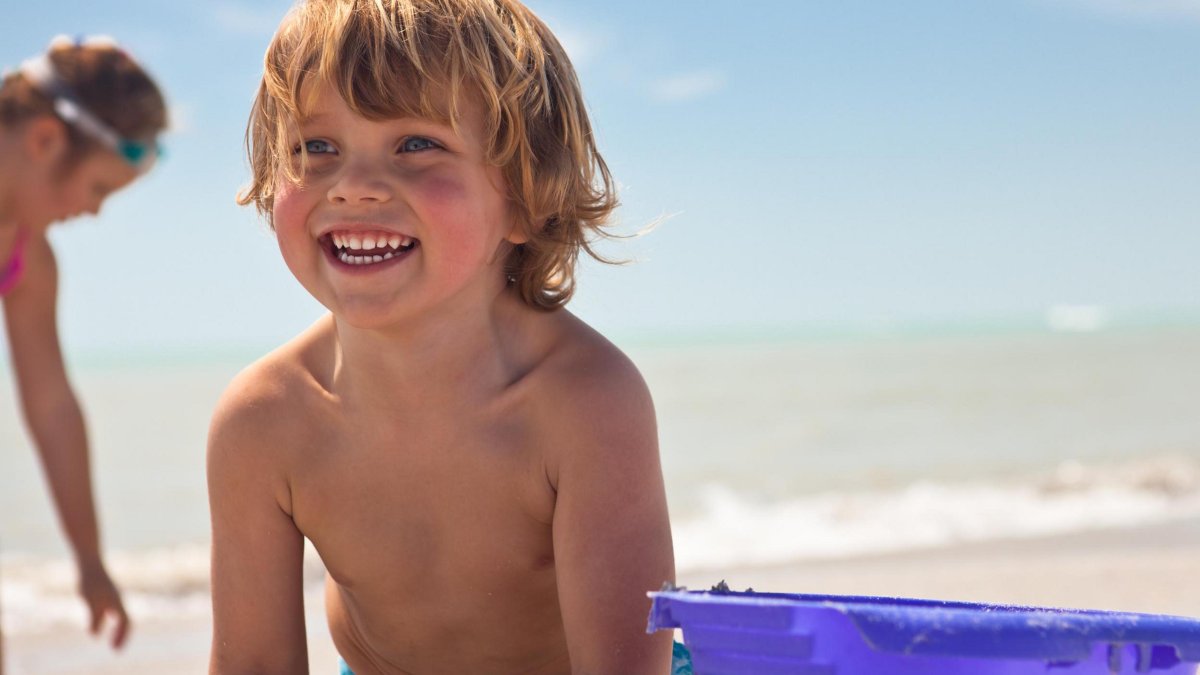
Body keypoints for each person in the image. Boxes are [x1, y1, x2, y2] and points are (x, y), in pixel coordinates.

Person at [206, 0, 682, 673]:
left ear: (524, 195)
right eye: (317, 148)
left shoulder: (584, 402)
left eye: (415, 145)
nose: (355, 187)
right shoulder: (264, 419)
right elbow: (253, 662)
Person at [0, 35, 166, 662]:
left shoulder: (28, 258)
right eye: (96, 187)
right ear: (45, 141)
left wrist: (91, 562)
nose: (93, 212)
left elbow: (52, 408)